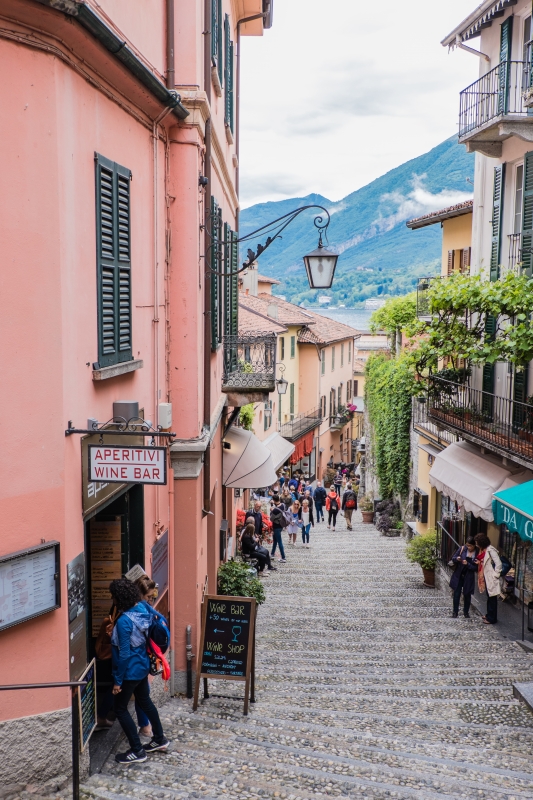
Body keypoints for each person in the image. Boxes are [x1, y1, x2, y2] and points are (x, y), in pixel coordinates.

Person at [109, 578, 170, 764]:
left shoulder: (124, 621)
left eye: (113, 597)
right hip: (143, 666)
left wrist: (118, 681)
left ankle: (137, 750)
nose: (112, 599)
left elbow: (124, 654)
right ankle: (159, 739)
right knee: (145, 701)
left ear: (119, 598)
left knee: (120, 709)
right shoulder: (143, 609)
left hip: (130, 672)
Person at [474, 533, 502, 624]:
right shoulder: (483, 550)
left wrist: (495, 575)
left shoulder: (490, 550)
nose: (476, 544)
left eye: (477, 542)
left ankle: (492, 618)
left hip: (491, 576)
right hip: (486, 576)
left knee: (492, 598)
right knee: (489, 596)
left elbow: (498, 564)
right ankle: (489, 615)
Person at [449, 537, 479, 618]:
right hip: (459, 574)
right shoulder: (462, 549)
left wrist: (468, 564)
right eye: (467, 545)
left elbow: (476, 568)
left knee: (467, 595)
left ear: (474, 545)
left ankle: (466, 612)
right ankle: (455, 612)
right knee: (456, 594)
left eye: (470, 546)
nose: (468, 547)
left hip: (469, 576)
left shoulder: (477, 552)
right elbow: (453, 558)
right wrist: (457, 559)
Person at [270, 494, 288, 562]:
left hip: (276, 526)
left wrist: (272, 510)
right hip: (281, 525)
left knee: (279, 541)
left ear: (274, 500)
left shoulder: (275, 510)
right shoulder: (283, 505)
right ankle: (272, 554)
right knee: (275, 540)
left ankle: (283, 557)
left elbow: (271, 519)